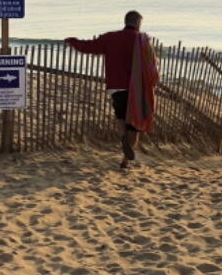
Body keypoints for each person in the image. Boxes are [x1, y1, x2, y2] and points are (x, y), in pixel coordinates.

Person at [65, 10, 158, 169]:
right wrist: (153, 81)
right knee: (134, 124)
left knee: (121, 116)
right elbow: (152, 65)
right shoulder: (142, 40)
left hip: (116, 87)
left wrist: (73, 41)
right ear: (137, 23)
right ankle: (125, 161)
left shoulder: (110, 37)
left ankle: (122, 137)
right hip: (137, 88)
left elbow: (89, 47)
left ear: (126, 21)